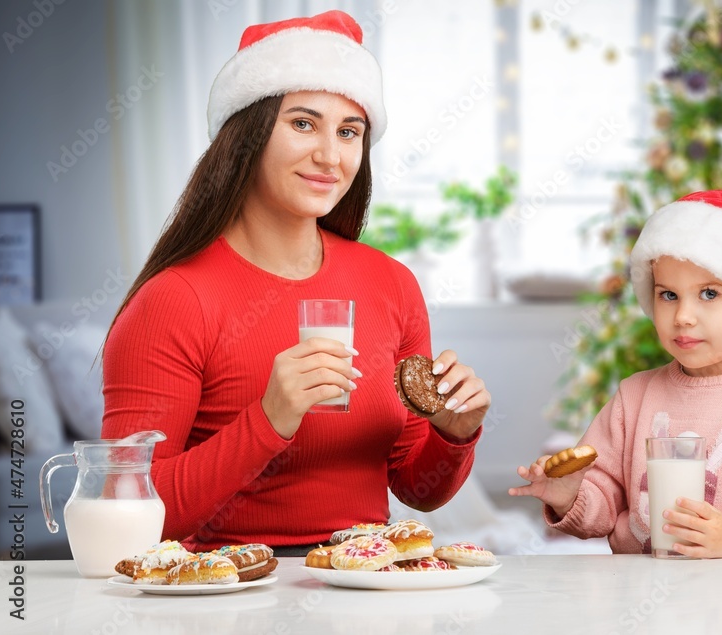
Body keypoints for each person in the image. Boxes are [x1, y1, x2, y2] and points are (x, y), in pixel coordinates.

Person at [101, 11, 490, 555]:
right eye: (303, 123)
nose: (330, 156)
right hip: (228, 596)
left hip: (364, 583)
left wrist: (452, 432)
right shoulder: (173, 300)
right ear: (248, 134)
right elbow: (129, 508)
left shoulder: (391, 284)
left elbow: (414, 487)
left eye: (349, 132)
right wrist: (268, 420)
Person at [510, 190, 722, 558]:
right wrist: (571, 496)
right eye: (668, 295)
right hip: (639, 597)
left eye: (709, 294)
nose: (683, 316)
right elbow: (604, 502)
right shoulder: (634, 397)